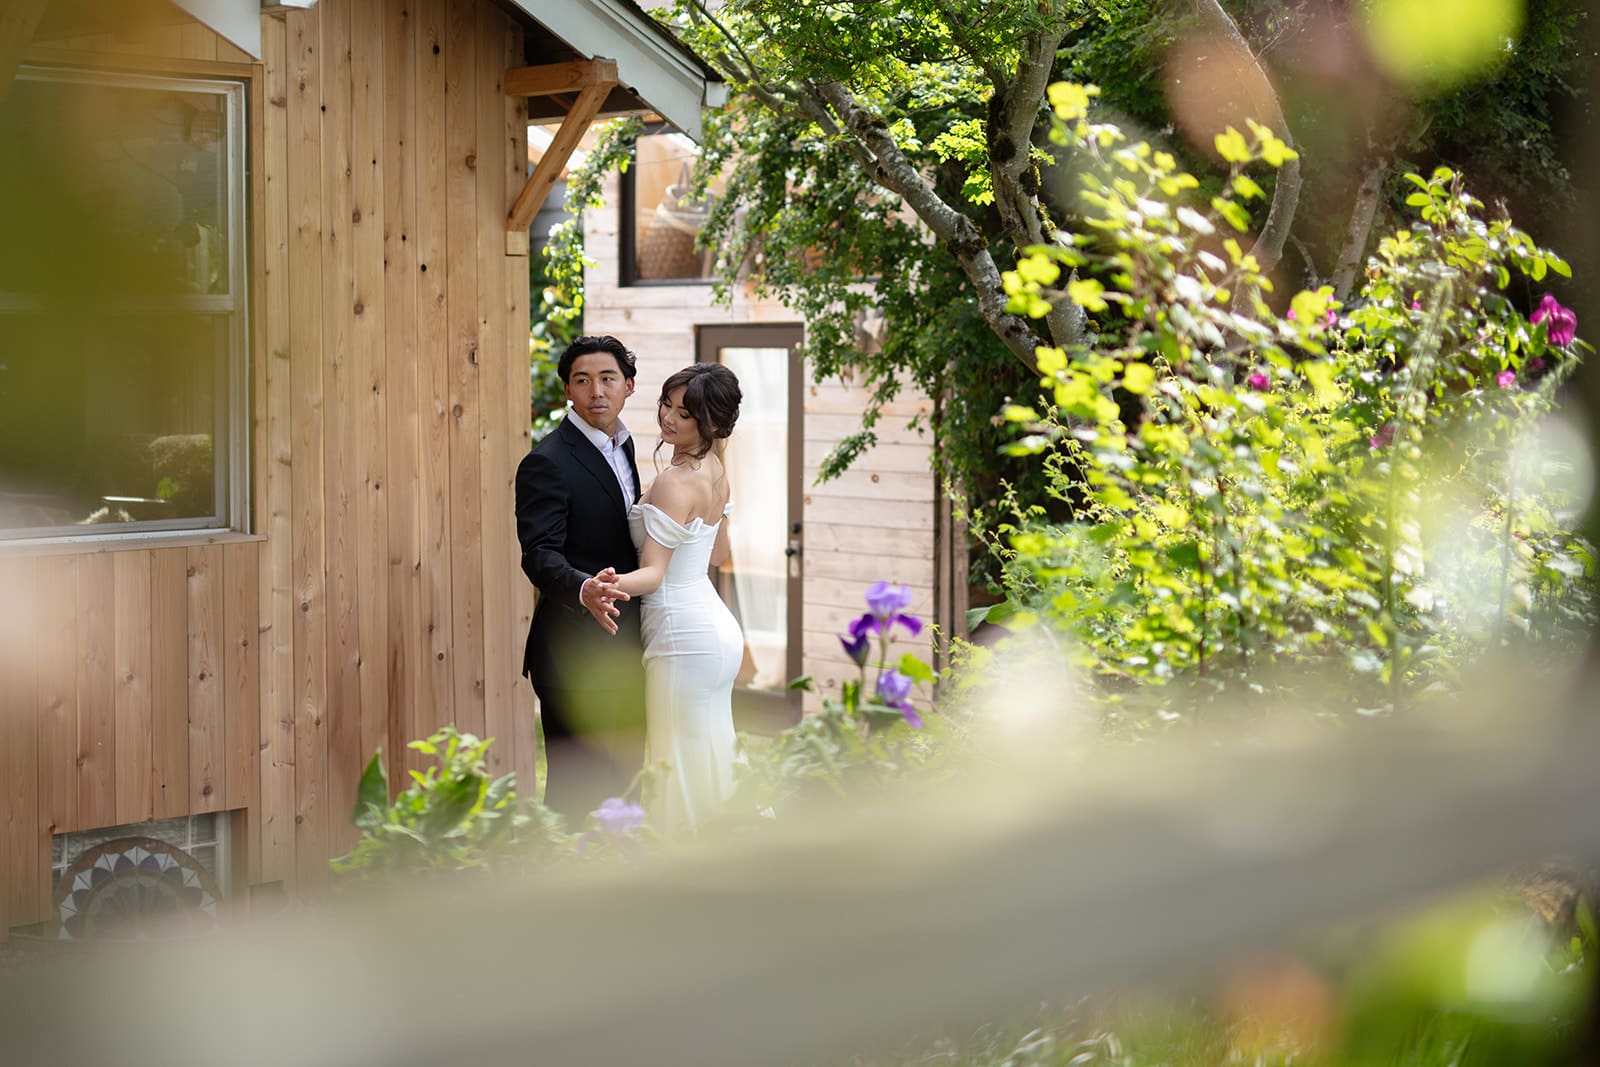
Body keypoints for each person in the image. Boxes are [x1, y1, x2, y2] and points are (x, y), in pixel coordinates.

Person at [591, 363, 745, 834]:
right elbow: (717, 553)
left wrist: (597, 586)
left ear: (712, 423)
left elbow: (654, 575)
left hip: (682, 634)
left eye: (686, 413)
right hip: (716, 630)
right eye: (667, 404)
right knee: (712, 756)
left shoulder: (674, 481)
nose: (669, 418)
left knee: (675, 762)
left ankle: (685, 865)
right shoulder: (715, 471)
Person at [515, 335, 648, 823]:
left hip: (625, 645)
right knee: (576, 791)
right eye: (582, 380)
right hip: (573, 651)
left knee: (624, 782)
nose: (596, 391)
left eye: (608, 378)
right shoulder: (547, 462)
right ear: (568, 390)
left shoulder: (625, 445)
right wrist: (582, 587)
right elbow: (539, 555)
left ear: (628, 386)